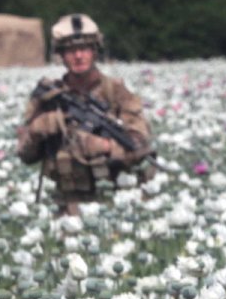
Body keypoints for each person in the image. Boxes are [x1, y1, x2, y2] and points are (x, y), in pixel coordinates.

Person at [15, 14, 153, 213]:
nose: (78, 56)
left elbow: (140, 147)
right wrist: (37, 131)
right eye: (70, 50)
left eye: (84, 49)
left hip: (114, 201)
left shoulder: (117, 94)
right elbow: (25, 156)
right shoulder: (49, 98)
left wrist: (104, 146)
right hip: (67, 204)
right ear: (61, 55)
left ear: (95, 51)